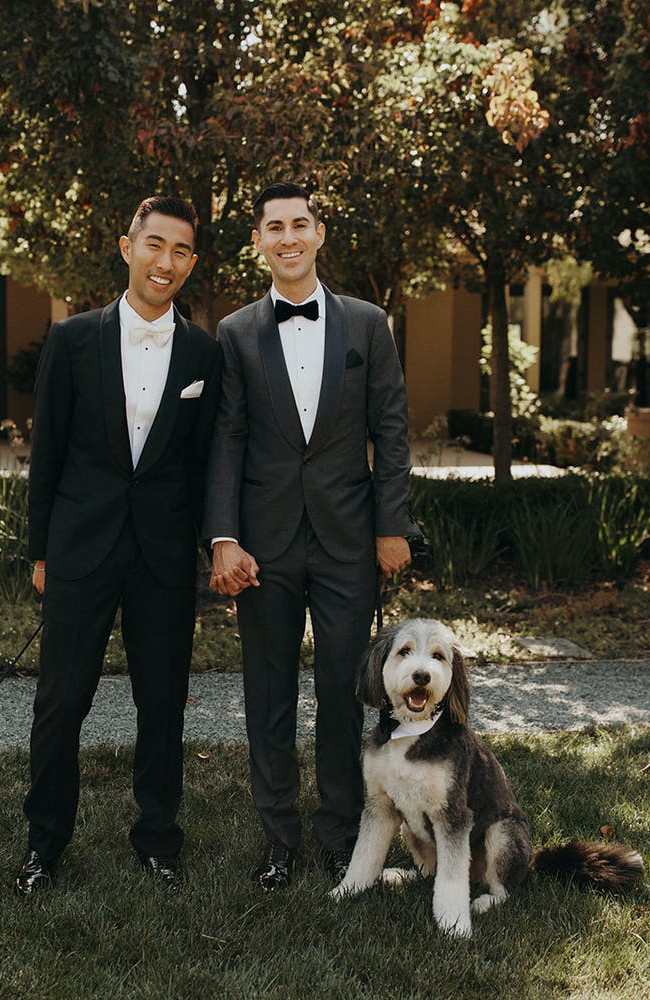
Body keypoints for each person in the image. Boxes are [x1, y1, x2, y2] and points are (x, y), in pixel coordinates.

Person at [205, 181, 417, 890]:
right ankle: (278, 839)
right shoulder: (236, 333)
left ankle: (338, 835)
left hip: (348, 541)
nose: (288, 237)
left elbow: (390, 431)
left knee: (341, 690)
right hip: (261, 547)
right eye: (274, 227)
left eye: (300, 224)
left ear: (319, 234)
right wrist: (224, 538)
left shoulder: (367, 324)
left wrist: (392, 527)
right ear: (260, 241)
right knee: (268, 693)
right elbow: (226, 440)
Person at [17, 196, 222, 894]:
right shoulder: (72, 340)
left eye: (181, 251)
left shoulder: (204, 353)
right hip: (80, 548)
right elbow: (46, 453)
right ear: (127, 246)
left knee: (162, 705)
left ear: (191, 264)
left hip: (163, 556)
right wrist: (41, 551)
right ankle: (45, 844)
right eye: (154, 245)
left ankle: (158, 839)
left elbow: (202, 464)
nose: (165, 262)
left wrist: (209, 543)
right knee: (61, 702)